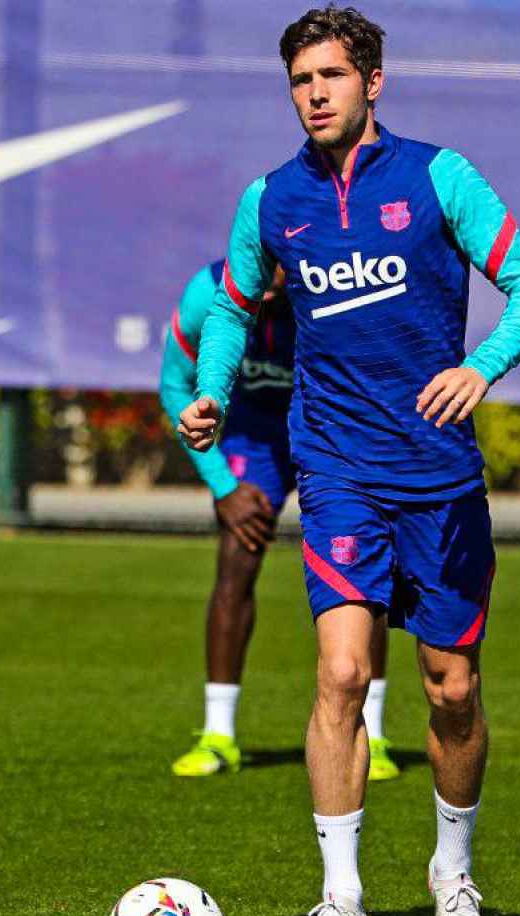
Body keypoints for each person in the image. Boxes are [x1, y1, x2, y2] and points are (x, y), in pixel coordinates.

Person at [176, 7, 520, 916]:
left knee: (451, 690)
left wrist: (483, 366)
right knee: (341, 674)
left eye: (332, 76)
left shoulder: (439, 176)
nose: (314, 93)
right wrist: (214, 393)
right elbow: (228, 308)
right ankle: (340, 896)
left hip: (437, 479)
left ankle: (452, 877)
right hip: (336, 468)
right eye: (301, 79)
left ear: (373, 81)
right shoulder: (270, 198)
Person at [159, 259, 400, 783]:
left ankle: (373, 734)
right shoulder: (207, 291)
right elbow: (174, 386)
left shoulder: (332, 288)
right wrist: (223, 485)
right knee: (236, 560)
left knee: (362, 572)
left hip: (331, 430)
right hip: (253, 436)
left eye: (278, 267)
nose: (268, 278)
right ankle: (219, 735)